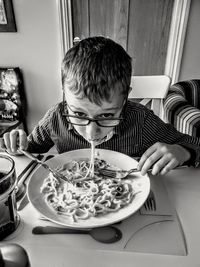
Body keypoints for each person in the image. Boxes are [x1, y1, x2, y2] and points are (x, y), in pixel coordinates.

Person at [0, 36, 200, 176]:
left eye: (106, 116)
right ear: (64, 94)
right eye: (78, 113)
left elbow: (195, 146)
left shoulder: (142, 120)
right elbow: (30, 151)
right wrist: (15, 145)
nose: (92, 133)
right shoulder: (55, 118)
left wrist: (184, 152)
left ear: (125, 99)